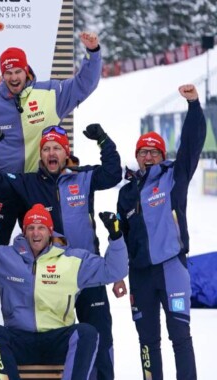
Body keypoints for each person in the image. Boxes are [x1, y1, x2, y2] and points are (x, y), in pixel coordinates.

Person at [0, 32, 103, 338]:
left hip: (35, 189)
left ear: (26, 70)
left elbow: (85, 84)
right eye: (7, 72)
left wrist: (93, 52)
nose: (13, 77)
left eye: (17, 71)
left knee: (47, 259)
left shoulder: (49, 94)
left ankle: (46, 327)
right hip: (3, 191)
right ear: (1, 75)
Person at [0, 122, 122, 379]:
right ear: (40, 154)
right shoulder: (26, 183)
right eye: (46, 149)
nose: (51, 153)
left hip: (83, 271)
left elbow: (113, 173)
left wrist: (103, 140)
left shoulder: (83, 177)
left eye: (57, 148)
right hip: (48, 273)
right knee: (49, 327)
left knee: (99, 336)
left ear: (66, 153)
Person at [116, 84, 205, 380]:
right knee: (147, 342)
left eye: (154, 151)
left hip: (171, 268)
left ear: (162, 154)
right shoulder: (127, 193)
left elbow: (192, 144)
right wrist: (118, 273)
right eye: (143, 152)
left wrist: (193, 105)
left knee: (180, 336)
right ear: (137, 156)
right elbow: (122, 238)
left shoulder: (174, 177)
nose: (149, 156)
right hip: (140, 275)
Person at [0, 204, 127, 380]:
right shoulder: (5, 256)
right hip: (20, 340)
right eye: (31, 228)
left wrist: (116, 237)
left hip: (57, 341)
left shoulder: (73, 259)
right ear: (24, 231)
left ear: (50, 231)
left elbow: (114, 270)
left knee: (86, 333)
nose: (36, 233)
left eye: (41, 228)